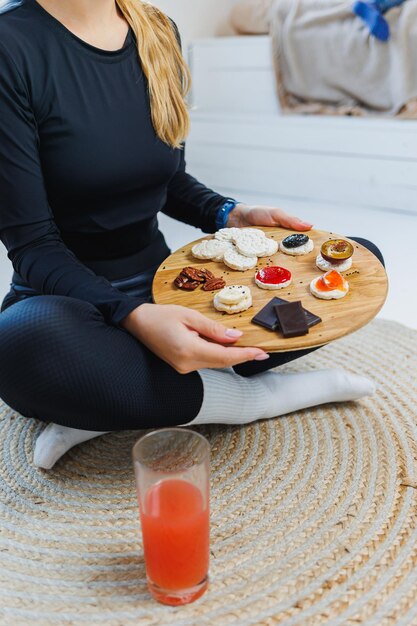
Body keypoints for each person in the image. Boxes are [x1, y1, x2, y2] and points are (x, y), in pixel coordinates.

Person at [0, 0, 382, 470]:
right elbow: (32, 244)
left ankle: (110, 401)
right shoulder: (10, 46)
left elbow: (168, 179)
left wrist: (230, 213)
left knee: (360, 261)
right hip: (68, 303)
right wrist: (134, 317)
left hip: (172, 289)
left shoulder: (158, 30)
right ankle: (249, 400)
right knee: (21, 342)